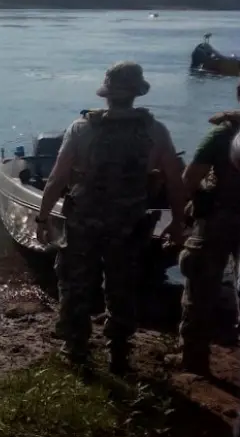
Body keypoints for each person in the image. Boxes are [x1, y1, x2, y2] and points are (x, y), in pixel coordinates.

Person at [36, 61, 187, 375]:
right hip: (128, 224)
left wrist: (42, 218)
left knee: (75, 284)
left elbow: (57, 178)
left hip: (83, 222)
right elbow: (175, 180)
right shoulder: (155, 131)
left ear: (106, 94)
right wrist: (177, 221)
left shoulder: (81, 128)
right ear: (137, 93)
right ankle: (118, 353)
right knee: (122, 286)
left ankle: (76, 349)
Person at [178, 72, 240, 377]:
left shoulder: (221, 134)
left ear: (239, 92)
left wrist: (202, 195)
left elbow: (189, 179)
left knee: (200, 291)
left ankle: (194, 363)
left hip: (217, 220)